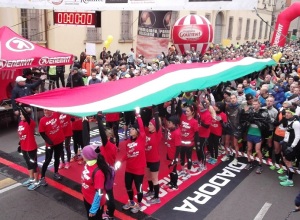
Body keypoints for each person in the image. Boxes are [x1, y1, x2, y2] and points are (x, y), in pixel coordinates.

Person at [114, 107, 146, 214]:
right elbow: (127, 155)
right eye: (130, 129)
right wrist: (120, 161)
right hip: (129, 169)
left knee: (139, 187)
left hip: (139, 170)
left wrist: (138, 114)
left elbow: (141, 127)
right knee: (128, 186)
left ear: (137, 131)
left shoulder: (141, 138)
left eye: (132, 129)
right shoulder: (127, 142)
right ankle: (131, 201)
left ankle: (139, 203)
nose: (130, 130)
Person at [96, 113, 117, 219]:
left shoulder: (108, 145)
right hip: (107, 172)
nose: (101, 138)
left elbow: (102, 133)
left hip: (107, 173)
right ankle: (109, 212)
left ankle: (110, 214)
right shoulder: (105, 146)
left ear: (107, 137)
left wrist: (99, 120)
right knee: (108, 193)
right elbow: (96, 151)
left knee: (108, 194)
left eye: (103, 136)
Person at [241, 99, 270, 174]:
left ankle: (260, 165)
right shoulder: (250, 111)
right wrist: (245, 112)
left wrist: (256, 120)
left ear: (259, 104)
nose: (254, 106)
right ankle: (249, 162)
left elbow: (266, 123)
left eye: (256, 104)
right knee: (249, 149)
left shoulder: (263, 112)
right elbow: (244, 120)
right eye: (253, 104)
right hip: (250, 133)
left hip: (258, 134)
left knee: (257, 150)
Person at [81, 145, 109, 220]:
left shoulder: (98, 172)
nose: (81, 155)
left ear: (88, 156)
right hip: (87, 198)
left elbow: (99, 192)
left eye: (83, 154)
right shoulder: (88, 163)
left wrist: (94, 209)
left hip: (94, 202)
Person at [39, 109, 65, 185]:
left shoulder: (56, 114)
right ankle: (42, 177)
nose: (46, 112)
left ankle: (56, 172)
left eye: (47, 110)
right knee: (48, 159)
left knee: (57, 158)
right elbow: (42, 132)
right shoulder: (42, 120)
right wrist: (48, 140)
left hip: (59, 141)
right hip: (50, 144)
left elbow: (62, 108)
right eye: (44, 110)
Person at [18, 106, 40, 190]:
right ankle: (31, 179)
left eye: (21, 114)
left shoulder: (30, 122)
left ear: (26, 115)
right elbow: (22, 135)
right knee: (28, 164)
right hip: (24, 148)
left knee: (34, 165)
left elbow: (26, 116)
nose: (20, 116)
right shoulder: (21, 123)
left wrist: (20, 106)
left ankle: (36, 181)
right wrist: (20, 145)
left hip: (31, 149)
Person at [144, 106, 162, 204]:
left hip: (155, 160)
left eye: (151, 124)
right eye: (149, 124)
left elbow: (158, 123)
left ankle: (156, 197)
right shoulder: (147, 132)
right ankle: (151, 191)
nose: (149, 126)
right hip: (147, 159)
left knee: (155, 179)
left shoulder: (158, 134)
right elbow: (142, 124)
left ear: (155, 126)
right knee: (148, 177)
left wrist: (155, 111)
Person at [278, 106, 300, 187]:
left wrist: (292, 146)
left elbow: (298, 136)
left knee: (288, 162)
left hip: (292, 146)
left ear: (293, 113)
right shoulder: (289, 121)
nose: (286, 114)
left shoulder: (296, 123)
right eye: (286, 112)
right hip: (286, 143)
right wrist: (284, 140)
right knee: (285, 159)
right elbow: (288, 132)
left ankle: (290, 180)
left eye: (288, 113)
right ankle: (287, 175)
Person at [162, 115, 181, 191]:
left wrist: (175, 158)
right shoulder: (171, 129)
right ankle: (171, 182)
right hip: (169, 153)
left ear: (174, 123)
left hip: (173, 155)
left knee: (173, 170)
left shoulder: (177, 133)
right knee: (170, 168)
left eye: (169, 122)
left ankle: (175, 185)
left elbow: (178, 146)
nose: (168, 123)